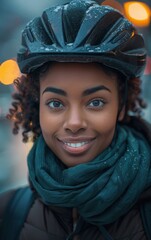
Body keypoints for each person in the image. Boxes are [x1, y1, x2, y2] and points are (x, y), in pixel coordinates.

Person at [0, 0, 151, 239]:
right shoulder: (8, 212)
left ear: (121, 107)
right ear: (38, 106)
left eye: (95, 102)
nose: (74, 122)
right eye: (56, 103)